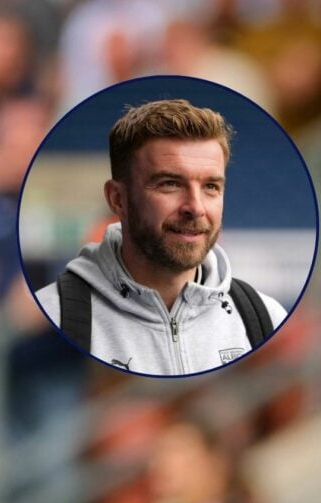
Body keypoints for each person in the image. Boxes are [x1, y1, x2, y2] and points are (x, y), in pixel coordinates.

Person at [34, 99, 287, 375]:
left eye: (211, 187)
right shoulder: (58, 312)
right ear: (117, 199)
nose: (196, 207)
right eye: (170, 184)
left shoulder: (264, 317)